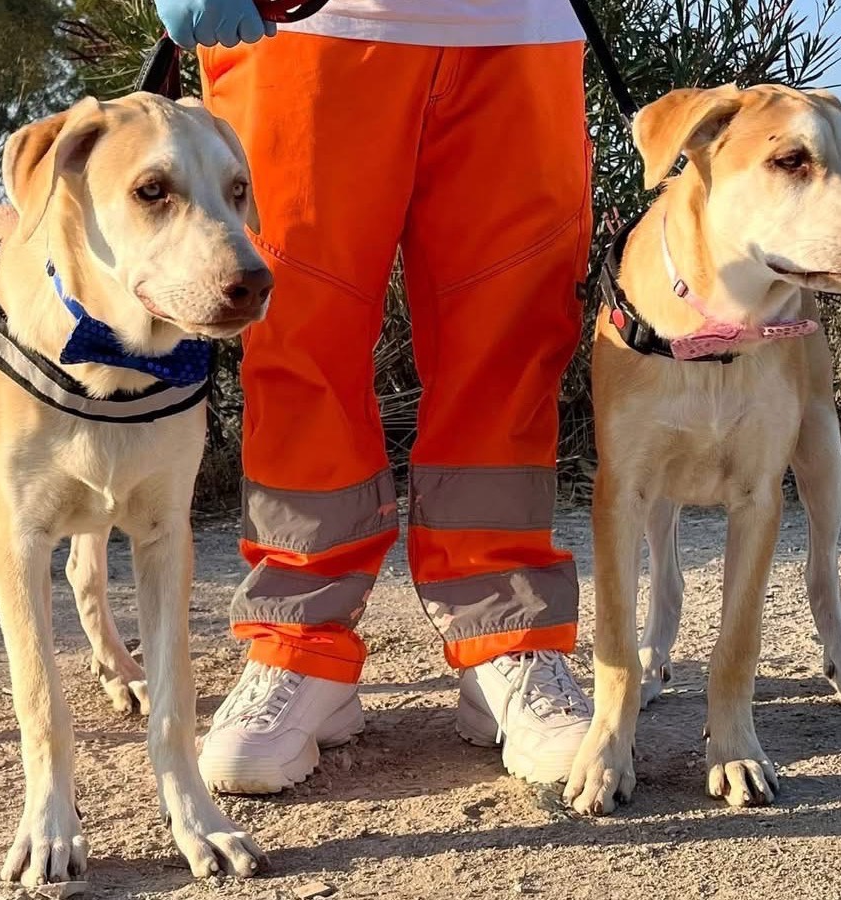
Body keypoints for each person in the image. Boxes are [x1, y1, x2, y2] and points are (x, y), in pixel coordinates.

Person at [156, 0, 595, 794]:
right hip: (308, 28)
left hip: (520, 30)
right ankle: (300, 642)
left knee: (512, 338)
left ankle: (507, 634)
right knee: (295, 335)